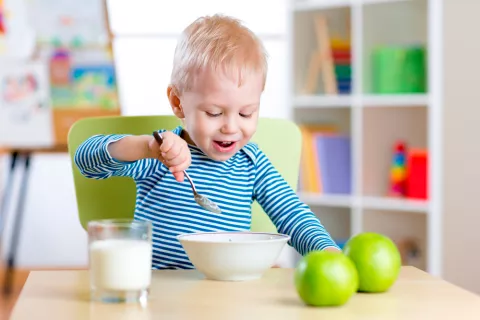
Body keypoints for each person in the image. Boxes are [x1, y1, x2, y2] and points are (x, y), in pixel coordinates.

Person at [74, 14, 340, 269]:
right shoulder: (160, 154)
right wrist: (146, 147)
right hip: (160, 291)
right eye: (214, 113)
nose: (231, 127)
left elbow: (291, 213)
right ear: (178, 103)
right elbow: (85, 159)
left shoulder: (252, 162)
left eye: (247, 113)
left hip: (227, 294)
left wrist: (327, 251)